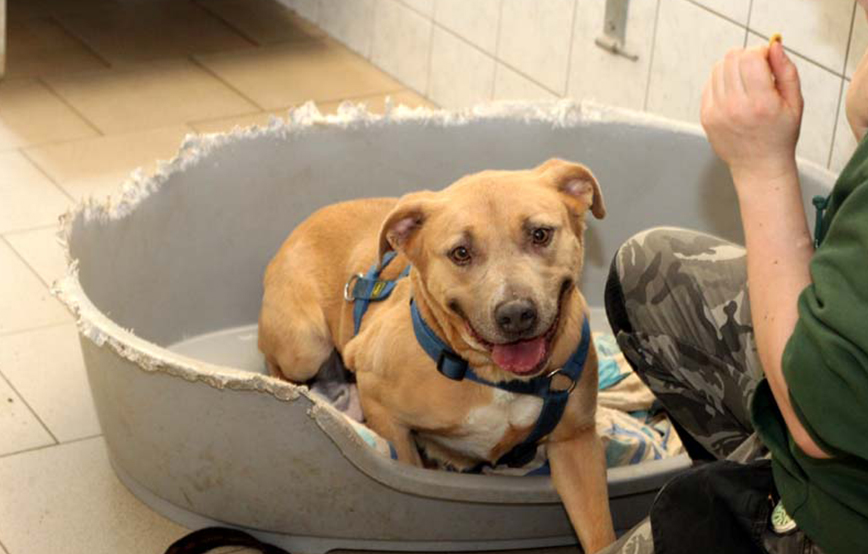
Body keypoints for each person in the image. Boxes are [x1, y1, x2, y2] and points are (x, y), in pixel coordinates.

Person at [598, 4, 868, 554]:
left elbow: (816, 421)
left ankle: (780, 515)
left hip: (846, 507)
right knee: (648, 272)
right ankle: (759, 466)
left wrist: (762, 167)